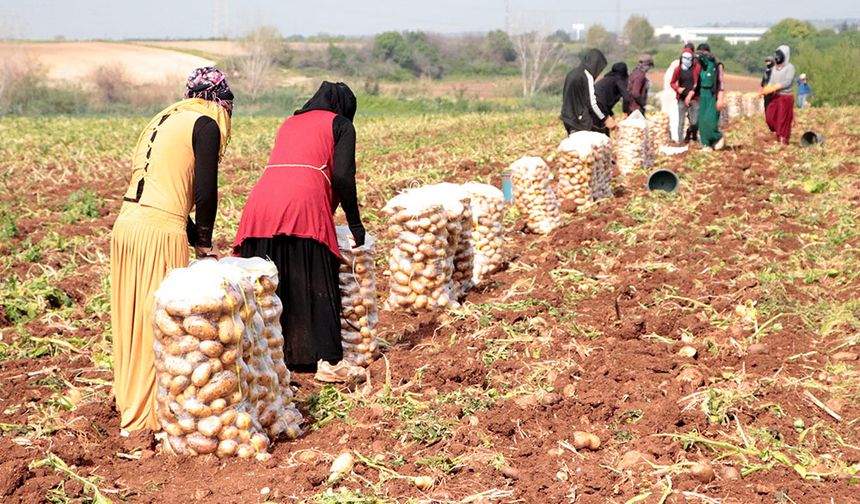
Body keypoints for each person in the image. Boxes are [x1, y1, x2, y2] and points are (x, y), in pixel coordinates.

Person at [110, 67, 233, 432]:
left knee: (131, 319)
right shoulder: (205, 124)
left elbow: (161, 188)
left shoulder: (164, 119)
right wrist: (205, 244)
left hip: (127, 224)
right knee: (161, 325)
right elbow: (205, 193)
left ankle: (128, 397)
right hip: (159, 233)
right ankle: (145, 418)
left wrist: (195, 235)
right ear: (221, 102)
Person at [233, 81, 366, 380]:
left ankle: (272, 363)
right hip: (302, 203)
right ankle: (331, 363)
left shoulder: (290, 123)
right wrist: (355, 224)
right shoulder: (341, 125)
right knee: (318, 279)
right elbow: (344, 175)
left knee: (272, 287)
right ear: (345, 108)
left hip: (260, 204)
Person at [561, 48, 612, 134]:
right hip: (579, 121)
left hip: (567, 117)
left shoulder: (572, 73)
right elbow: (592, 103)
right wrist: (605, 119)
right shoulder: (587, 76)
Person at [761, 45, 796, 144]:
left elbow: (787, 82)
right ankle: (778, 132)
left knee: (782, 118)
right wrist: (766, 90)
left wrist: (776, 87)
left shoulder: (790, 68)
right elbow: (771, 82)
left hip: (785, 96)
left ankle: (783, 138)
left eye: (779, 55)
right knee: (769, 117)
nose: (777, 57)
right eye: (776, 55)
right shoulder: (774, 69)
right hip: (775, 96)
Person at [694, 47, 725, 150]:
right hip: (703, 95)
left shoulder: (716, 67)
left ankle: (718, 137)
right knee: (702, 122)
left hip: (712, 96)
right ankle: (706, 144)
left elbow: (720, 84)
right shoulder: (701, 69)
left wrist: (720, 99)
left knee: (709, 121)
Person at [670, 47, 701, 144]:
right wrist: (677, 89)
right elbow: (672, 83)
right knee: (681, 121)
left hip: (694, 98)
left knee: (694, 122)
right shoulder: (678, 69)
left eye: (688, 58)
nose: (686, 60)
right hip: (682, 99)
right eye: (684, 58)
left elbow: (698, 83)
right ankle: (680, 141)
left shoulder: (696, 69)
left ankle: (692, 134)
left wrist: (691, 93)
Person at [594, 62, 630, 128]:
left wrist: (613, 116)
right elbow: (626, 97)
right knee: (607, 129)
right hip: (597, 108)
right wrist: (625, 112)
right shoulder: (619, 80)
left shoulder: (606, 80)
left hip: (593, 107)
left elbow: (605, 101)